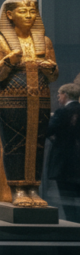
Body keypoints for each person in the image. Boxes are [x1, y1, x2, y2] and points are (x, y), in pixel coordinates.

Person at [47, 83, 80, 222]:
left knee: (66, 196)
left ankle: (73, 224)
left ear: (66, 94)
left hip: (64, 160)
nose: (58, 97)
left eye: (59, 94)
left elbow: (48, 130)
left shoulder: (62, 112)